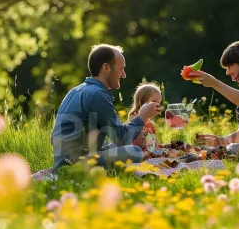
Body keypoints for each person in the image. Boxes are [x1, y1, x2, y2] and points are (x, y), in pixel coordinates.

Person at [51, 44, 162, 172]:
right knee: (134, 152)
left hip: (68, 158)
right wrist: (142, 116)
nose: (123, 74)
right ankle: (73, 172)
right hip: (73, 163)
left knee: (116, 146)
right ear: (106, 67)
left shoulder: (77, 90)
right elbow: (122, 139)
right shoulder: (97, 95)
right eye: (121, 69)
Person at [127, 81, 228, 161]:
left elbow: (154, 146)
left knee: (182, 145)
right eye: (154, 102)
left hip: (158, 153)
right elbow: (147, 150)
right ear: (143, 102)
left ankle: (210, 152)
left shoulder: (151, 125)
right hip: (151, 158)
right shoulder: (135, 125)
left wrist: (169, 146)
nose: (159, 106)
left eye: (159, 103)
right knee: (185, 157)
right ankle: (207, 156)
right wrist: (167, 151)